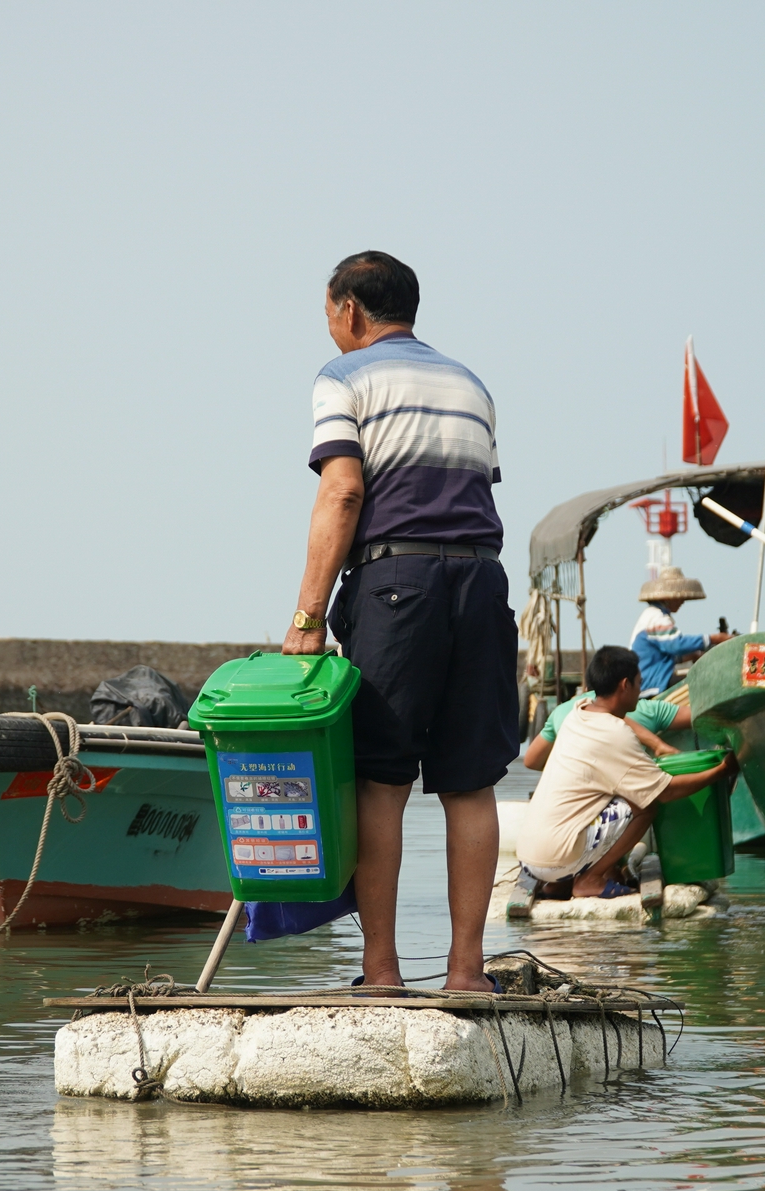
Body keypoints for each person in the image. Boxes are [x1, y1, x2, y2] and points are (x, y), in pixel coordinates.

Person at [282, 250, 515, 993]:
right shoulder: (471, 384)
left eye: (328, 313)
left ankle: (381, 972)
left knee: (380, 781)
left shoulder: (342, 377)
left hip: (396, 585)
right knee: (471, 784)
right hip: (481, 581)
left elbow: (343, 493)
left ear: (349, 310)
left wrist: (307, 617)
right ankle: (466, 972)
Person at [514, 646, 735, 900]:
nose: (641, 690)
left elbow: (620, 719)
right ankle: (590, 880)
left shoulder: (578, 713)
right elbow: (665, 792)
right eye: (639, 683)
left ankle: (562, 881)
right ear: (624, 685)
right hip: (556, 857)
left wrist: (656, 744)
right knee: (646, 804)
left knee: (617, 794)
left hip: (530, 860)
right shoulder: (615, 734)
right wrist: (722, 770)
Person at [519, 689, 688, 771]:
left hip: (565, 811)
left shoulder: (562, 711)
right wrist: (656, 743)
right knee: (646, 810)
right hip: (611, 809)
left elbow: (531, 761)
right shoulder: (650, 709)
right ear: (625, 685)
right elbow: (699, 715)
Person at [631, 567, 726, 693]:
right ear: (667, 597)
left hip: (650, 678)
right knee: (706, 680)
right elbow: (676, 644)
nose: (683, 601)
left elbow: (663, 655)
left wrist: (693, 655)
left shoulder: (650, 615)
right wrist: (713, 638)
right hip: (652, 681)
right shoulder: (657, 617)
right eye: (679, 597)